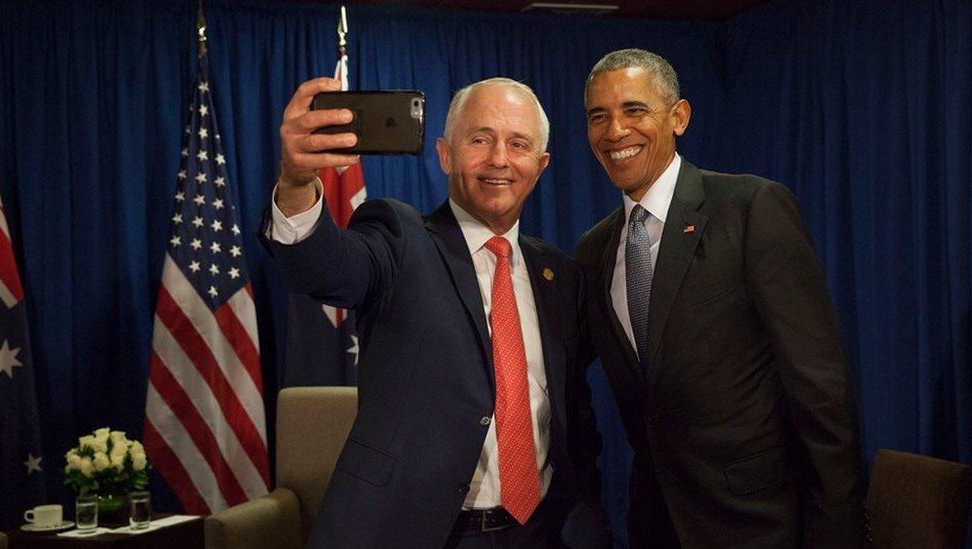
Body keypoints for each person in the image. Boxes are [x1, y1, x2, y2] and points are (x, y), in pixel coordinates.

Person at [263, 77, 609, 548]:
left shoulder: (561, 277)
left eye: (518, 144)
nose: (499, 159)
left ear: (541, 165)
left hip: (541, 533)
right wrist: (296, 181)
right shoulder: (401, 239)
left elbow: (572, 414)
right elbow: (326, 267)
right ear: (446, 154)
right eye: (480, 139)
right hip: (422, 534)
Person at [575, 49, 866, 548]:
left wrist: (836, 530)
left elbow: (820, 389)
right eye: (598, 116)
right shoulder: (594, 248)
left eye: (634, 110)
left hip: (761, 523)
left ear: (679, 117)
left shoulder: (751, 207)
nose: (614, 131)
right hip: (655, 525)